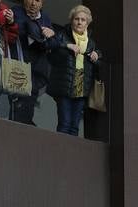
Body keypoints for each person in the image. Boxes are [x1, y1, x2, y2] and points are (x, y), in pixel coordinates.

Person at [46, 5, 101, 138]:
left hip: (81, 87)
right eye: (77, 19)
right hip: (64, 85)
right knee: (64, 123)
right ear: (72, 21)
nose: (79, 22)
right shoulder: (62, 35)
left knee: (74, 126)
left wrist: (96, 56)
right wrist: (67, 46)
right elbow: (52, 51)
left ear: (87, 23)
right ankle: (61, 152)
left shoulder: (91, 43)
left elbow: (98, 64)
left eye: (83, 20)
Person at [10, 0, 56, 126]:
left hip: (37, 69)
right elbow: (20, 30)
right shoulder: (16, 11)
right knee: (17, 100)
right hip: (19, 64)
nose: (33, 3)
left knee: (30, 101)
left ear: (42, 3)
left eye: (37, 0)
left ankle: (24, 128)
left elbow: (52, 44)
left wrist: (51, 34)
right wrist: (41, 34)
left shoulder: (45, 17)